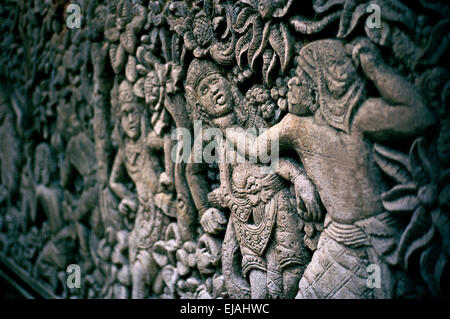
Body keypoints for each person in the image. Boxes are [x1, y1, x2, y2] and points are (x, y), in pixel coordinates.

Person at [224, 38, 435, 298]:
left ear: (317, 90)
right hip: (338, 238)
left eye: (300, 78)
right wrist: (229, 130)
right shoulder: (297, 126)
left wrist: (375, 69)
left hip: (378, 238)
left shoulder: (356, 119)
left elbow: (419, 116)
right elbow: (256, 150)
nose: (291, 83)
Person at [185, 59, 321, 298]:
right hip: (243, 217)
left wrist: (297, 176)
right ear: (200, 107)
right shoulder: (209, 135)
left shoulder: (250, 114)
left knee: (288, 282)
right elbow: (192, 171)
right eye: (204, 90)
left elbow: (269, 156)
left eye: (215, 81)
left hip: (276, 201)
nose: (214, 90)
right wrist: (204, 209)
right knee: (259, 290)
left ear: (228, 83)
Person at [109, 80, 169, 298]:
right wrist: (129, 198)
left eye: (134, 112)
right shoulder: (125, 150)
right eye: (125, 115)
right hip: (139, 225)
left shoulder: (149, 142)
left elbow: (170, 142)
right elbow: (113, 181)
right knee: (139, 276)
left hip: (162, 218)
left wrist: (168, 177)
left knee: (141, 277)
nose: (131, 120)